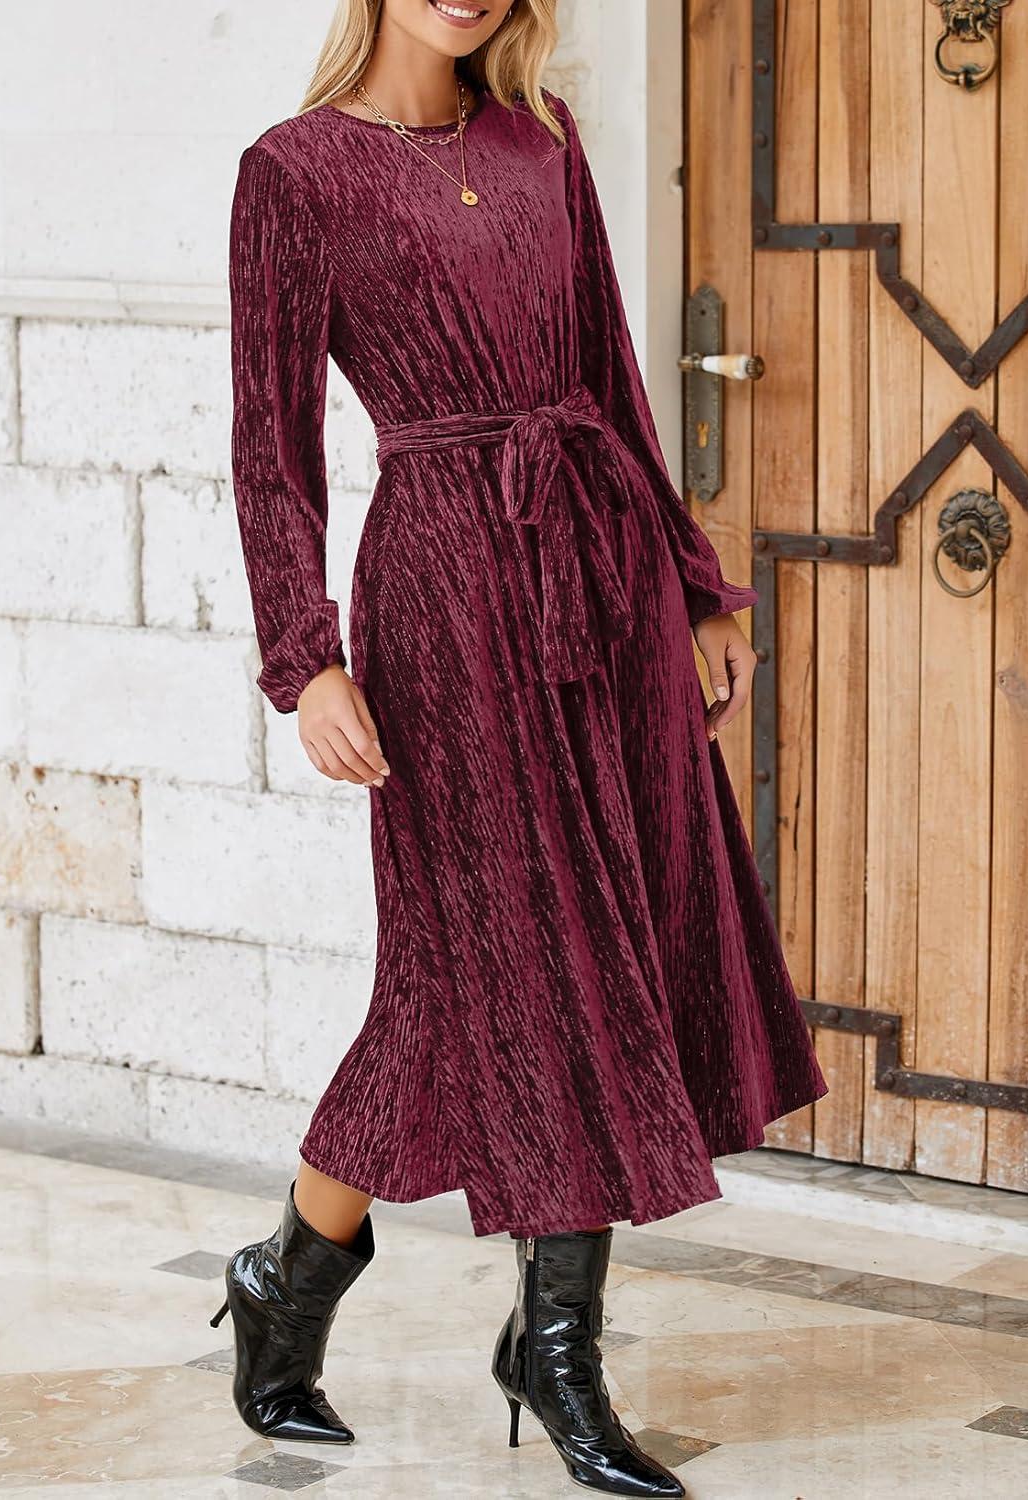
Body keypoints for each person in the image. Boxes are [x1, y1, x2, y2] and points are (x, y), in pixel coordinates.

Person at [212, 1, 829, 1494]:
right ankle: (444, 1327)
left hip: (602, 579)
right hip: (442, 599)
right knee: (474, 967)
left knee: (595, 948)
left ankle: (445, 1320)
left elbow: (611, 378)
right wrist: (305, 660)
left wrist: (694, 584)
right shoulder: (294, 171)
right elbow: (270, 448)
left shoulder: (543, 138)